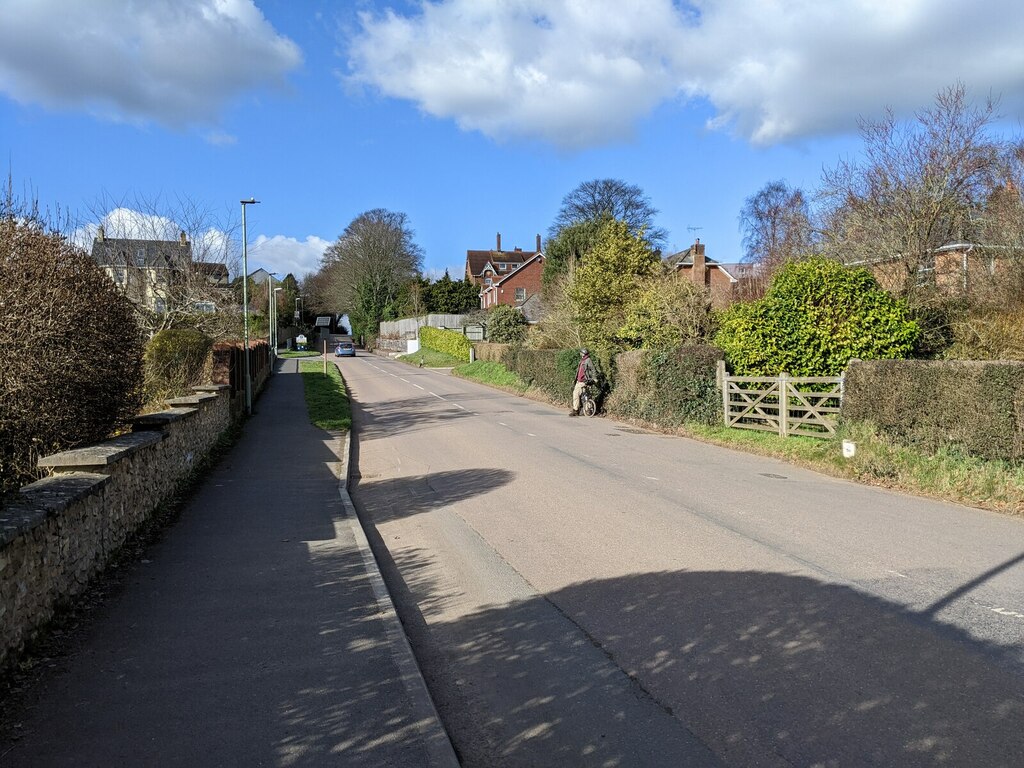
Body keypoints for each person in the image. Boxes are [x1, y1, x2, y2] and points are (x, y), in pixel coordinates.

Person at [569, 348, 596, 416]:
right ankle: (588, 410)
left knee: (575, 394)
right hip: (579, 381)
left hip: (583, 381)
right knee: (586, 395)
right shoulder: (583, 360)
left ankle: (575, 410)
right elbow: (579, 371)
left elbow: (593, 369)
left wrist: (594, 378)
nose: (580, 354)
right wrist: (575, 379)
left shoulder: (587, 360)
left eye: (581, 353)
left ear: (583, 353)